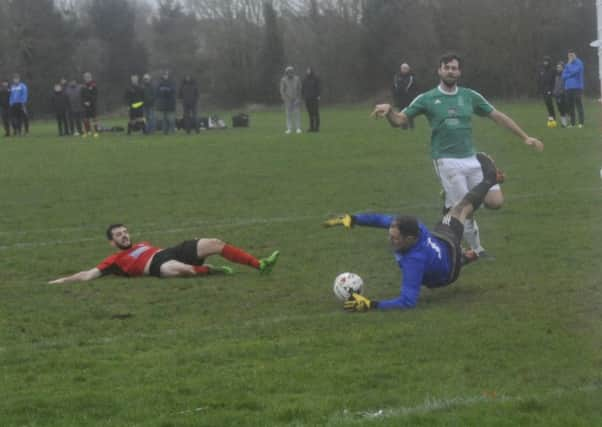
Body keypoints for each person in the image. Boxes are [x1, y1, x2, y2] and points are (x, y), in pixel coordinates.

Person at [372, 53, 544, 259]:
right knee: (465, 209)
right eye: (447, 67)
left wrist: (525, 137)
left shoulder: (469, 95)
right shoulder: (426, 99)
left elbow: (497, 116)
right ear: (439, 70)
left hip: (471, 158)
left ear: (459, 72)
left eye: (454, 68)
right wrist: (390, 111)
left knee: (495, 202)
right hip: (446, 160)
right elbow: (400, 120)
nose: (450, 71)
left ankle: (448, 202)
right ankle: (477, 250)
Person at [324, 153, 501, 311]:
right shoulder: (413, 226)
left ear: (409, 239)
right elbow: (380, 220)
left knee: (458, 215)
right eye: (390, 234)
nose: (390, 240)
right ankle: (490, 179)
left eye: (395, 238)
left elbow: (407, 302)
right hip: (443, 239)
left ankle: (464, 256)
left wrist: (371, 304)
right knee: (460, 208)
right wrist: (354, 218)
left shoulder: (413, 261)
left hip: (449, 270)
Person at [48, 224, 280, 284]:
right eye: (119, 235)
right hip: (156, 268)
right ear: (112, 242)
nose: (124, 236)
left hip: (168, 252)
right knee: (180, 270)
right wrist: (61, 280)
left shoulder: (143, 243)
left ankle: (260, 264)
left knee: (215, 243)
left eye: (125, 232)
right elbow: (87, 275)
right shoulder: (114, 261)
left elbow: (164, 252)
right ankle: (213, 271)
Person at [562, 49, 584, 128]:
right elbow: (563, 76)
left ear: (575, 55)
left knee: (579, 105)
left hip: (577, 87)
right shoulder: (568, 64)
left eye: (572, 55)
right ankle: (572, 123)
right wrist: (569, 74)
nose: (570, 57)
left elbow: (575, 71)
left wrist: (568, 67)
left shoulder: (579, 63)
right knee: (570, 106)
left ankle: (581, 123)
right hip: (568, 88)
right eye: (569, 56)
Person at [392, 62, 418, 129]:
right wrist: (395, 97)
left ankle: (412, 127)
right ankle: (404, 128)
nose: (404, 69)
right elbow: (394, 88)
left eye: (406, 68)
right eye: (403, 68)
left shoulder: (412, 78)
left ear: (408, 69)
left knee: (410, 113)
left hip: (409, 99)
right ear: (400, 69)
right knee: (401, 114)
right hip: (400, 99)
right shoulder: (396, 77)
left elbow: (416, 88)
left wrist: (413, 96)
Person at [279, 66, 302, 134]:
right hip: (287, 99)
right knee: (288, 115)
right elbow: (282, 90)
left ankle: (298, 128)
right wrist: (284, 98)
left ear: (293, 72)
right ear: (286, 72)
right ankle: (289, 128)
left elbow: (299, 89)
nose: (290, 73)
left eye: (291, 71)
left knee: (297, 114)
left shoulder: (297, 79)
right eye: (288, 72)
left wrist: (298, 98)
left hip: (296, 99)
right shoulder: (283, 80)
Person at [538, 56, 557, 127]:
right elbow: (540, 80)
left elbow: (554, 81)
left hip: (550, 90)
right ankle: (551, 119)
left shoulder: (552, 70)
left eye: (547, 61)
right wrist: (540, 89)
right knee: (547, 105)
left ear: (549, 62)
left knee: (550, 104)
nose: (545, 63)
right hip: (543, 90)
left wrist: (551, 90)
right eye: (544, 61)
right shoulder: (542, 70)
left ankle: (553, 118)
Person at [156, 71, 176, 135]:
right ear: (162, 76)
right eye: (164, 75)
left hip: (170, 103)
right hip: (163, 104)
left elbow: (173, 90)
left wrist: (166, 90)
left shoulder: (171, 82)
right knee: (164, 119)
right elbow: (158, 91)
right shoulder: (160, 83)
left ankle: (172, 131)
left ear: (168, 75)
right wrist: (165, 90)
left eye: (166, 75)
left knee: (171, 119)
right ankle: (165, 132)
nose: (165, 76)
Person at [302, 67, 321, 132]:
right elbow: (303, 88)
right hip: (307, 99)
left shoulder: (316, 78)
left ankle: (317, 128)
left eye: (309, 70)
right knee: (310, 114)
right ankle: (311, 127)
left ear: (311, 71)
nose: (308, 71)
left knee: (316, 113)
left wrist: (318, 96)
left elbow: (318, 87)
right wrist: (303, 96)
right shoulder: (305, 79)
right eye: (307, 70)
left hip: (314, 98)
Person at [81, 72, 99, 137]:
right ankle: (88, 132)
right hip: (85, 105)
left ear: (91, 77)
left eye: (88, 77)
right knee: (86, 119)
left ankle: (96, 132)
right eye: (85, 77)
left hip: (93, 105)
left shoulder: (94, 85)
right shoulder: (83, 86)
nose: (87, 78)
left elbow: (95, 95)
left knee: (94, 119)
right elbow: (82, 96)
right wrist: (84, 102)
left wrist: (90, 102)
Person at [553, 61, 568, 128]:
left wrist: (562, 92)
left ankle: (566, 122)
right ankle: (563, 123)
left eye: (559, 67)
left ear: (563, 68)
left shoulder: (565, 75)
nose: (558, 68)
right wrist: (555, 92)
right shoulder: (556, 75)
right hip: (557, 94)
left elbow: (564, 85)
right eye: (557, 67)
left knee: (564, 108)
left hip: (563, 94)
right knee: (560, 109)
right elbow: (556, 85)